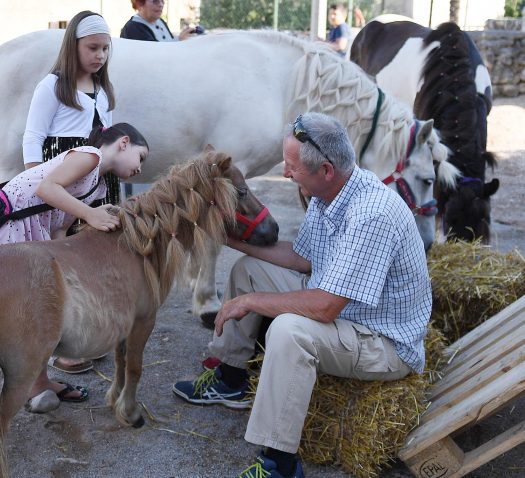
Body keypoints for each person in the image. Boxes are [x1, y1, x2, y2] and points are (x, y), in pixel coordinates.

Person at [173, 113, 432, 478]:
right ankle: (231, 380)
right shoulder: (330, 194)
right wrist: (228, 240)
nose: (285, 174)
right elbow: (302, 259)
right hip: (347, 313)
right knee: (248, 269)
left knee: (289, 332)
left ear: (326, 169)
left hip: (381, 343)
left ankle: (280, 464)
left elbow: (326, 307)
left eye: (292, 167)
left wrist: (250, 303)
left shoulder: (372, 213)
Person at [0, 123, 149, 411]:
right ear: (124, 143)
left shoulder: (98, 185)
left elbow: (60, 228)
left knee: (41, 313)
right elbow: (47, 188)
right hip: (14, 225)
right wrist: (90, 215)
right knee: (17, 314)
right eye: (141, 157)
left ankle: (39, 383)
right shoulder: (89, 157)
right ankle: (8, 385)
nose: (140, 168)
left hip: (36, 233)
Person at [23, 10, 116, 374]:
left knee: (95, 257)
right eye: (93, 48)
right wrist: (35, 186)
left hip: (97, 184)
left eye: (105, 50)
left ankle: (90, 334)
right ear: (73, 45)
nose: (100, 56)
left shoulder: (104, 90)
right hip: (61, 186)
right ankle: (64, 345)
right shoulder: (52, 87)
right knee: (64, 263)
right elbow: (33, 138)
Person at [120, 0, 198, 41]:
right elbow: (155, 54)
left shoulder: (160, 21)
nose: (161, 4)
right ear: (140, 3)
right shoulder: (133, 28)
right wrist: (179, 40)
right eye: (155, 1)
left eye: (162, 1)